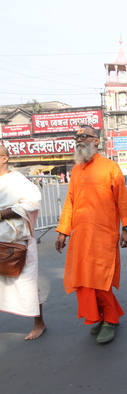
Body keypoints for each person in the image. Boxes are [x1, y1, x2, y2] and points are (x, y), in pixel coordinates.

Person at [55, 126, 127, 344]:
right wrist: (63, 231)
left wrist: (126, 229)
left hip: (103, 234)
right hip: (80, 235)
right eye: (77, 137)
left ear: (96, 141)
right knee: (83, 279)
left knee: (100, 280)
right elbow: (70, 203)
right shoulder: (77, 169)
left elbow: (122, 200)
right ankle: (99, 317)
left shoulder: (110, 167)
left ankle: (110, 320)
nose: (80, 140)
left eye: (84, 137)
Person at [0, 146, 46, 340]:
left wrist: (2, 214)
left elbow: (32, 202)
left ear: (5, 158)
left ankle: (39, 323)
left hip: (16, 240)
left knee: (27, 282)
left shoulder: (16, 180)